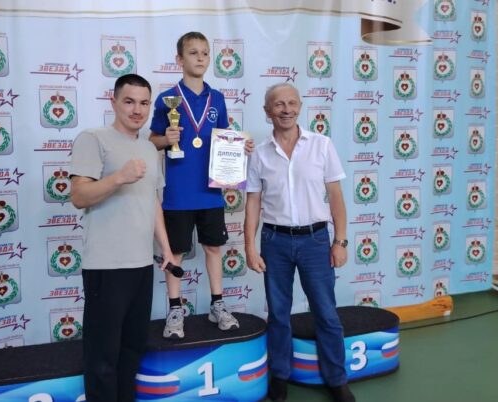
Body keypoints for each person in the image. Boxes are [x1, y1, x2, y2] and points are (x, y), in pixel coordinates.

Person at [244, 83, 355, 402]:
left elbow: (336, 197)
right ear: (267, 111)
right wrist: (249, 246)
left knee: (326, 313)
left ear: (300, 107)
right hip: (274, 241)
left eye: (292, 103)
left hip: (316, 241)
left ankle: (337, 379)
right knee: (279, 314)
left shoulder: (321, 145)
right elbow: (253, 202)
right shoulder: (259, 154)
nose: (286, 109)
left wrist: (340, 241)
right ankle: (279, 377)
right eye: (279, 104)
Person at [70, 73, 176, 402]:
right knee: (102, 357)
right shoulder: (93, 138)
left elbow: (152, 201)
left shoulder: (149, 148)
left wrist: (166, 249)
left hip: (141, 265)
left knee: (131, 351)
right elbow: (79, 196)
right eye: (129, 101)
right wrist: (119, 177)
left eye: (144, 103)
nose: (137, 110)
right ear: (114, 102)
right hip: (106, 266)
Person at [150, 31, 252, 339]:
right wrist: (165, 139)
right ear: (179, 59)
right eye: (193, 53)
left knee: (213, 248)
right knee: (175, 253)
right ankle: (175, 309)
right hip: (178, 194)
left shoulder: (216, 99)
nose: (200, 58)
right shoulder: (167, 99)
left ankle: (217, 304)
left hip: (210, 193)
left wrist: (240, 147)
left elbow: (225, 138)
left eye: (205, 53)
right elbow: (152, 140)